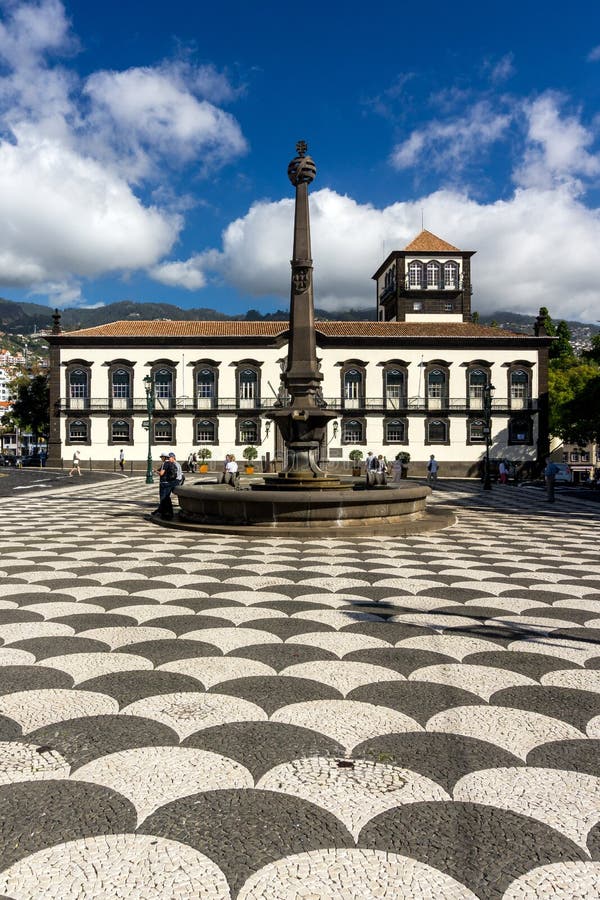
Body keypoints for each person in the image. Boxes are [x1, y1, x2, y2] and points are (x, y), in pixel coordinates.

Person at [152, 453, 179, 519]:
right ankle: (169, 513)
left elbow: (161, 473)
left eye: (161, 457)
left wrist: (156, 471)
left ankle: (164, 514)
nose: (161, 458)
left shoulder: (165, 463)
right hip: (170, 483)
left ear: (164, 457)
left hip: (164, 483)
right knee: (167, 498)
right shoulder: (171, 463)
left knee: (163, 499)